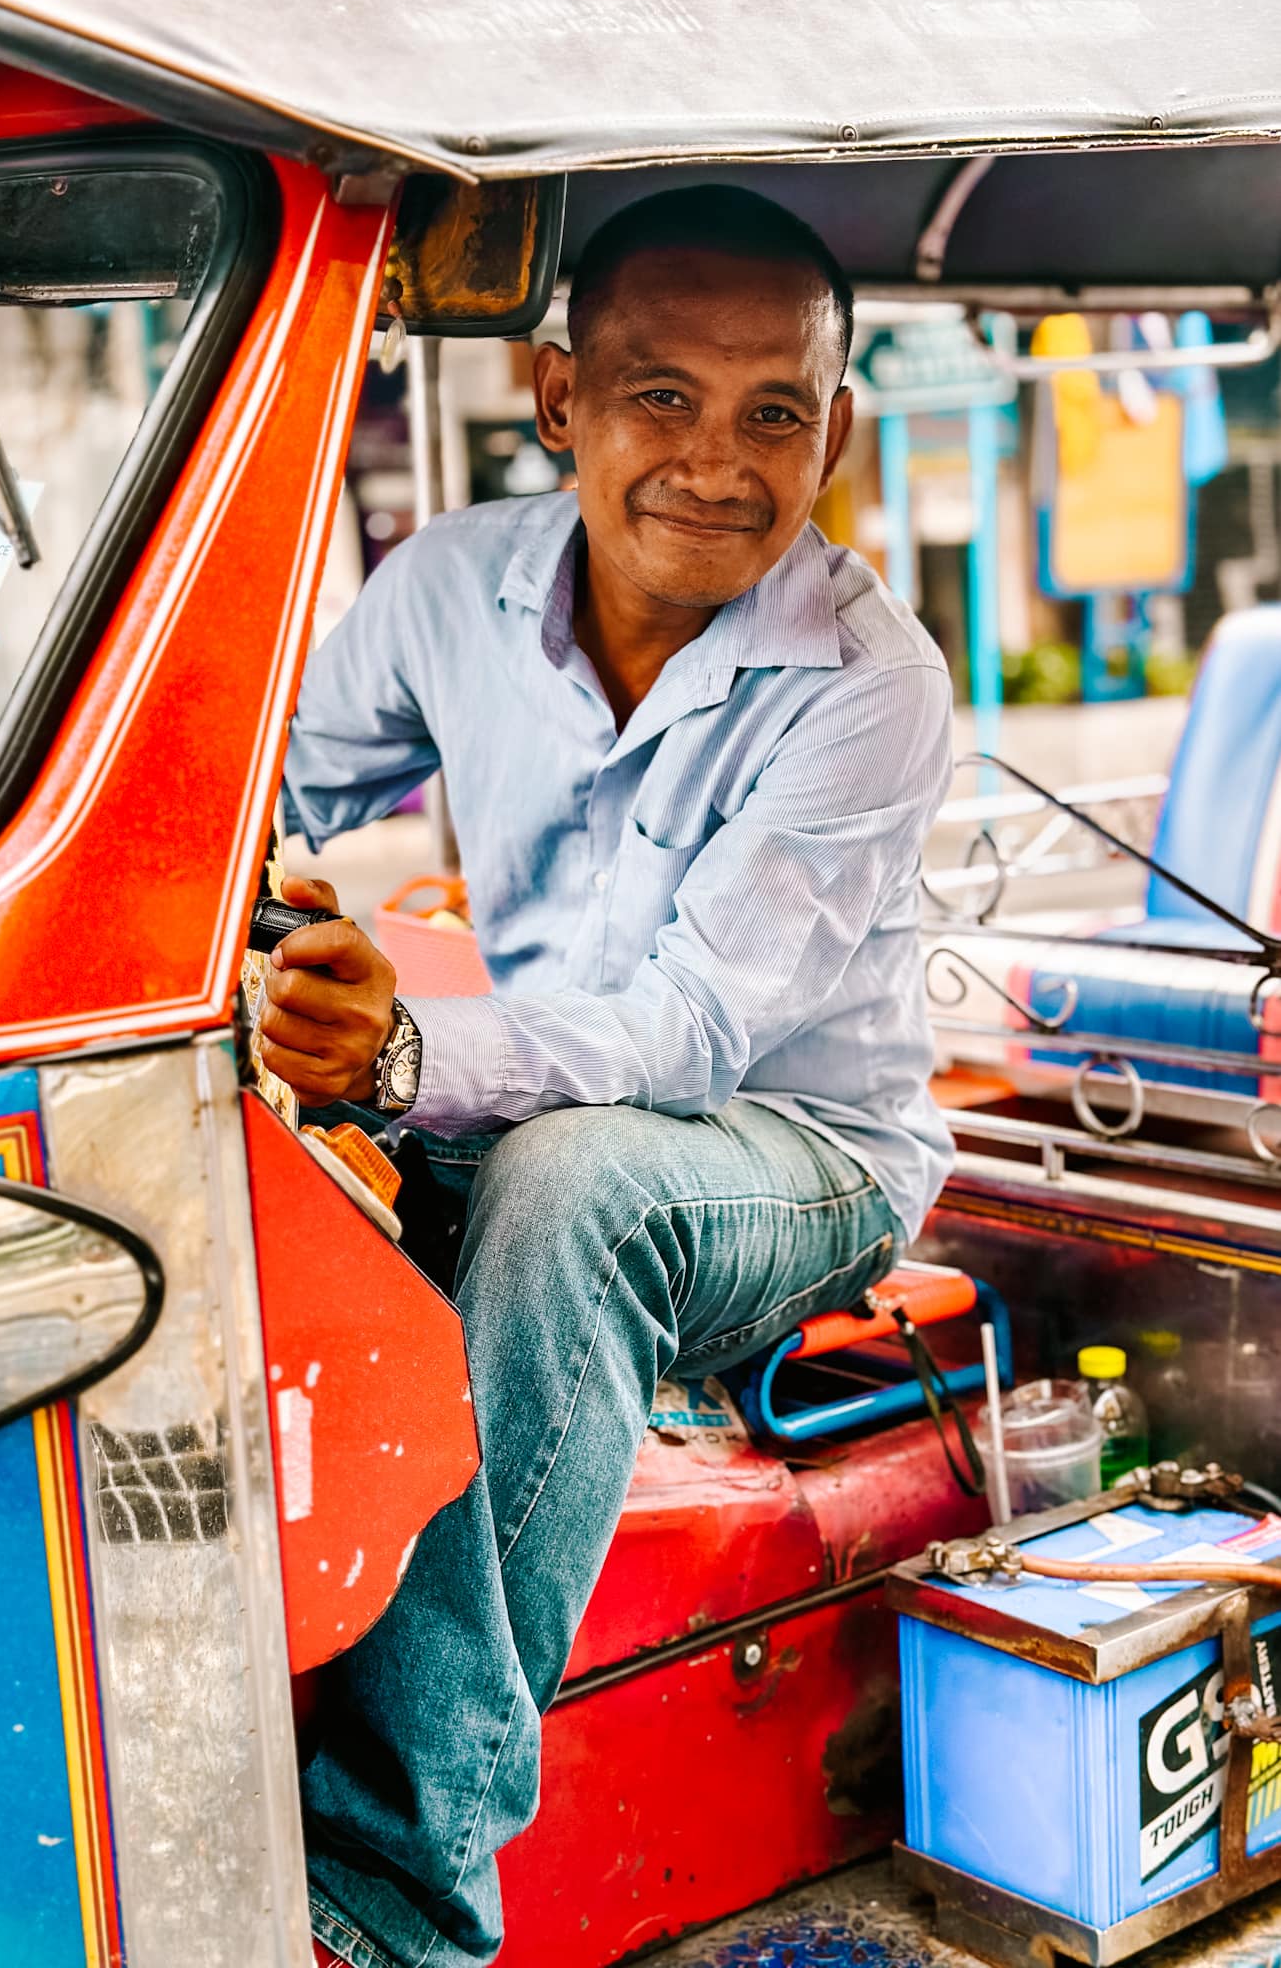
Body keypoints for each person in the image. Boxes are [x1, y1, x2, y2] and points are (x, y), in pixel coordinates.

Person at [268, 184, 954, 1968]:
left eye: (771, 414)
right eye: (662, 398)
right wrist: (270, 955)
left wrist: (404, 1047)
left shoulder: (870, 681)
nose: (715, 465)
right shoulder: (443, 590)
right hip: (557, 1113)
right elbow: (262, 802)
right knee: (267, 1174)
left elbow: (685, 1034)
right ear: (558, 396)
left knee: (564, 1182)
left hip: (804, 1156)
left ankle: (399, 1900)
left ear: (836, 429)